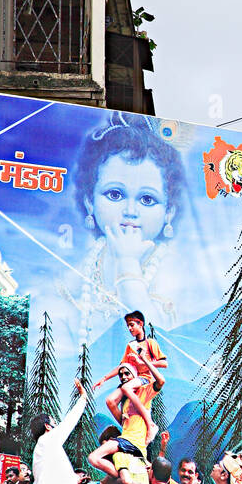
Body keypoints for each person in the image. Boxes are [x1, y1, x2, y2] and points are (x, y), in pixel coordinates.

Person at [55, 112, 188, 345]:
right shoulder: (77, 273)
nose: (130, 210)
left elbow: (160, 346)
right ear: (89, 201)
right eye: (115, 194)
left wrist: (128, 265)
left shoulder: (177, 273)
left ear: (169, 212)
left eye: (147, 199)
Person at [26, 379, 89, 484]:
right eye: (54, 422)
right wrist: (83, 398)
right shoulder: (47, 440)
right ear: (48, 426)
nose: (57, 425)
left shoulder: (44, 450)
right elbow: (69, 422)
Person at [93, 311, 168, 417]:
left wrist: (143, 363)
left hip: (145, 379)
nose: (129, 328)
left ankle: (148, 422)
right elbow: (122, 366)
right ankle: (125, 426)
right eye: (128, 326)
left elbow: (164, 363)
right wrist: (104, 379)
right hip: (131, 380)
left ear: (140, 324)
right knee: (110, 401)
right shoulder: (131, 345)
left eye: (132, 325)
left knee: (126, 388)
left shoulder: (150, 343)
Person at [103, 361, 163, 459]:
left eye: (127, 373)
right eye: (121, 375)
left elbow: (160, 381)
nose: (123, 377)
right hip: (128, 439)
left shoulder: (143, 391)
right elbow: (110, 401)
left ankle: (150, 425)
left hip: (139, 441)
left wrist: (144, 359)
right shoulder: (125, 401)